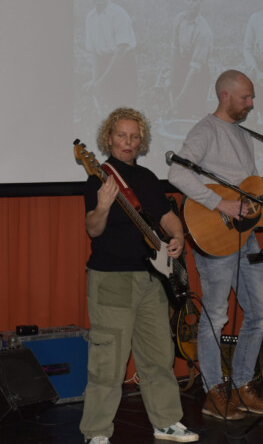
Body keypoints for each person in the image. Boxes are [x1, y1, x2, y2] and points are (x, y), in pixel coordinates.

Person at [168, 70, 263, 420]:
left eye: (251, 98)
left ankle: (243, 387)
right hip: (214, 235)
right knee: (216, 315)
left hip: (245, 237)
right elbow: (176, 173)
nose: (251, 104)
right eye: (245, 97)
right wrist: (220, 204)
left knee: (261, 313)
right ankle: (214, 392)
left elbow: (249, 192)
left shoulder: (242, 134)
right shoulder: (206, 130)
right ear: (225, 96)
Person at [80, 108, 198, 444]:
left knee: (159, 356)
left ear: (141, 141)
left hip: (153, 279)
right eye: (121, 136)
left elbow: (167, 216)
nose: (128, 142)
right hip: (112, 280)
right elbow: (93, 229)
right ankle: (97, 432)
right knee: (109, 361)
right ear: (109, 139)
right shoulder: (97, 178)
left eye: (134, 137)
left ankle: (166, 422)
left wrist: (177, 237)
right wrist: (102, 206)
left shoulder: (146, 178)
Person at [83, 0, 138, 114]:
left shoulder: (119, 14)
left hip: (123, 65)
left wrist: (102, 81)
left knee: (124, 109)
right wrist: (95, 80)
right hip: (104, 63)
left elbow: (121, 51)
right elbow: (95, 53)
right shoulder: (90, 18)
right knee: (108, 108)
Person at [167, 0, 213, 118]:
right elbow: (174, 50)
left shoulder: (204, 31)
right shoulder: (179, 19)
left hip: (198, 74)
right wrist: (171, 79)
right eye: (188, 0)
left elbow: (195, 67)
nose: (191, 3)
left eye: (194, 0)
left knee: (195, 110)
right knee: (178, 111)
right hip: (182, 66)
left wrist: (181, 95)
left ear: (201, 1)